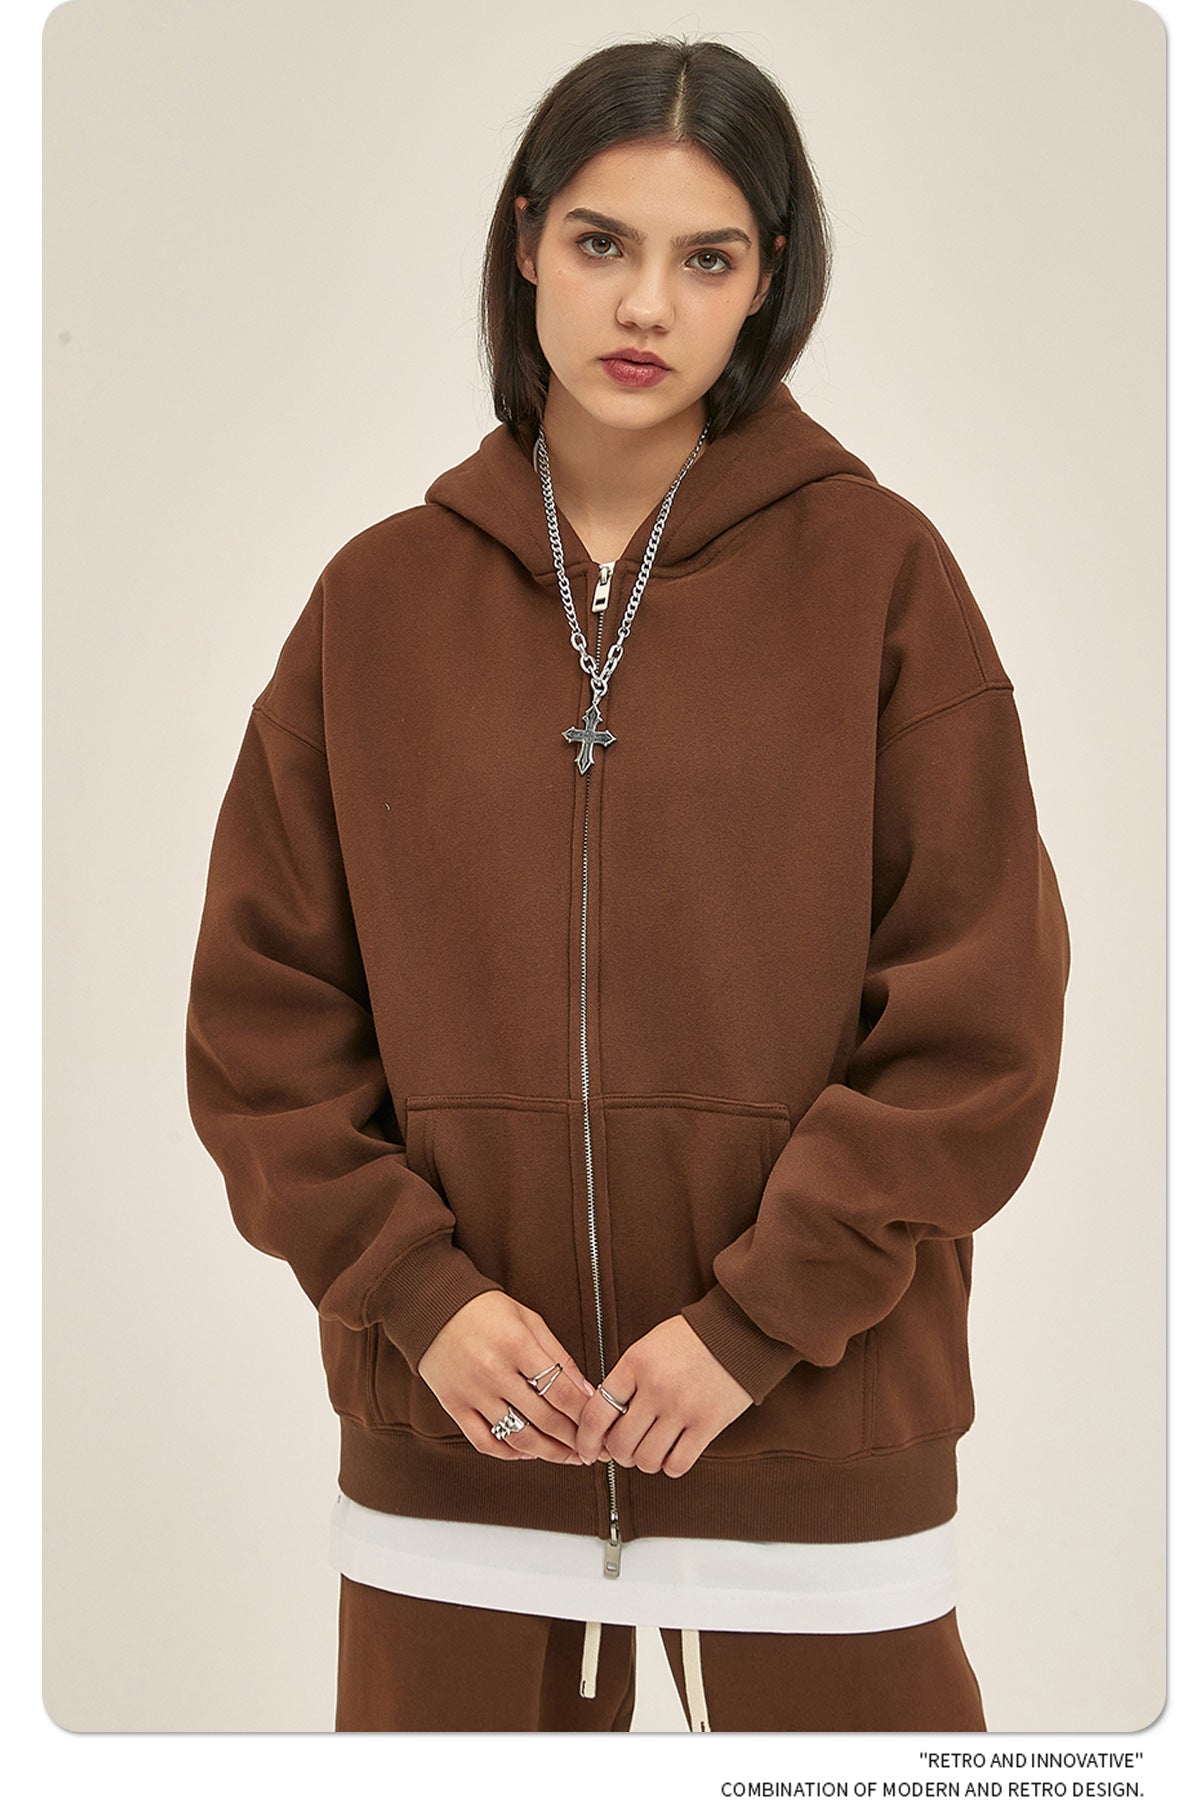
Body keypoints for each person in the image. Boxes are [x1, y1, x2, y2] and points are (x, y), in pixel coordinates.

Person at [185, 36, 1071, 1733]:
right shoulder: (376, 605)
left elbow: (983, 1023)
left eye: (707, 257)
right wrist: (422, 1300)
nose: (645, 305)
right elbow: (263, 1024)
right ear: (527, 240)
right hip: (460, 1456)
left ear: (769, 281)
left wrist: (757, 1324)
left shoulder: (881, 578)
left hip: (812, 1438)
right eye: (602, 242)